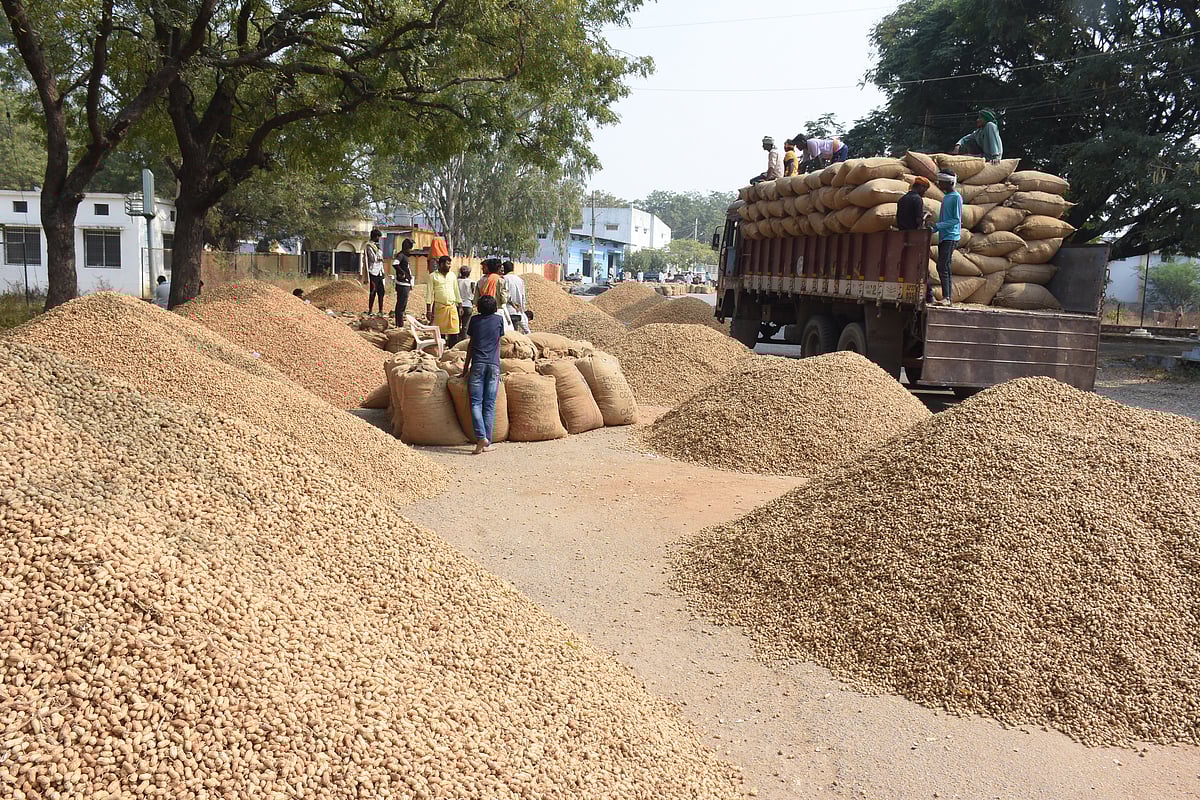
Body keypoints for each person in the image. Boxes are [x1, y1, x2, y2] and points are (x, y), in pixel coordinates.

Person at [462, 294, 504, 455]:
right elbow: (498, 343)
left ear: (478, 308)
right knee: (489, 404)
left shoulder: (474, 320)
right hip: (494, 366)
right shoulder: (498, 320)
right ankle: (487, 441)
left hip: (478, 365)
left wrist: (465, 369)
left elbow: (471, 345)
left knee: (475, 403)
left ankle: (481, 438)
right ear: (494, 308)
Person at [932, 170, 963, 306]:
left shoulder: (956, 197)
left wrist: (938, 226)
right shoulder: (946, 197)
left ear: (949, 182)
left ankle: (947, 297)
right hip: (944, 236)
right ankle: (948, 297)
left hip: (951, 236)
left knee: (942, 266)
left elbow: (956, 219)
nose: (939, 184)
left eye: (941, 181)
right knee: (946, 266)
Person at [425, 255, 462, 341]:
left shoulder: (452, 275)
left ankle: (452, 350)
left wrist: (460, 305)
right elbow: (429, 294)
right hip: (440, 308)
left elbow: (456, 291)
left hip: (452, 307)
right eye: (448, 264)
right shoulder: (433, 276)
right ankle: (441, 351)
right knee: (440, 333)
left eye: (450, 264)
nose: (449, 266)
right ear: (441, 264)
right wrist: (428, 310)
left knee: (454, 331)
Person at [501, 260, 531, 334]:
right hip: (517, 312)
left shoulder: (504, 279)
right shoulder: (520, 280)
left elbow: (504, 295)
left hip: (507, 312)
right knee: (515, 333)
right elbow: (523, 296)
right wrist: (522, 310)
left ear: (504, 269)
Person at [363, 228, 385, 314]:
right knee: (373, 291)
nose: (379, 239)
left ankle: (380, 310)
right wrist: (379, 252)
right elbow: (373, 258)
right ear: (375, 237)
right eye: (378, 237)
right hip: (373, 272)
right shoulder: (369, 246)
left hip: (380, 271)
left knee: (381, 291)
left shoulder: (377, 246)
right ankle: (370, 310)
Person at [393, 238, 414, 322]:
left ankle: (399, 322)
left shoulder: (405, 256)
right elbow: (395, 264)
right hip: (402, 284)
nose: (411, 251)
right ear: (406, 248)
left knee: (402, 305)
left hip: (406, 284)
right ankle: (399, 323)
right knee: (401, 305)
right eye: (410, 249)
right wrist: (402, 273)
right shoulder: (401, 255)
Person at [457, 265, 475, 338]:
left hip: (458, 305)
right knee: (465, 326)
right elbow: (473, 293)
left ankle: (455, 340)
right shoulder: (471, 282)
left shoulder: (456, 281)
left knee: (457, 325)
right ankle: (464, 340)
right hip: (468, 305)